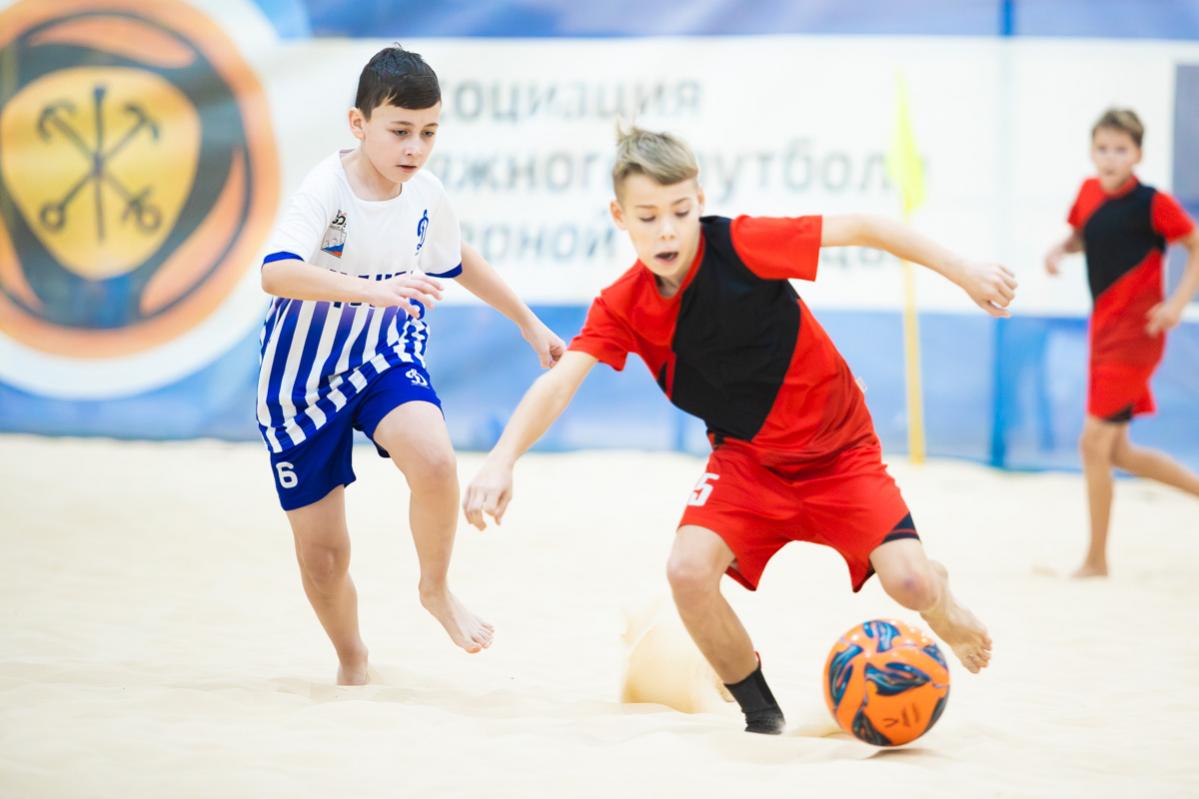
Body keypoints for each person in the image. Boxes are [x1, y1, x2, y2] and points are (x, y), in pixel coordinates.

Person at [463, 126, 1001, 734]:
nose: (667, 230)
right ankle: (762, 717)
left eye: (681, 211)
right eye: (648, 217)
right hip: (747, 462)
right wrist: (501, 459)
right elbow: (560, 382)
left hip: (839, 454)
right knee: (687, 572)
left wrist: (965, 271)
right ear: (620, 216)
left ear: (700, 200)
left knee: (910, 582)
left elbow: (864, 228)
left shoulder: (743, 245)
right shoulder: (622, 304)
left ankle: (943, 603)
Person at [256, 46, 564, 684]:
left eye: (428, 133)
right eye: (400, 131)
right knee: (324, 557)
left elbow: (459, 258)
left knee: (435, 460)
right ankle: (352, 659)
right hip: (300, 382)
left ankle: (435, 589)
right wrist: (372, 291)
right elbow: (276, 272)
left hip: (384, 354)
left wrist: (528, 322)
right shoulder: (327, 187)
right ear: (358, 123)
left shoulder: (426, 192)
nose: (415, 148)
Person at [1045, 108, 1199, 579]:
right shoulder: (1088, 193)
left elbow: (1195, 244)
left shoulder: (1153, 203)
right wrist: (1061, 249)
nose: (1110, 157)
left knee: (1092, 443)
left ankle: (1096, 561)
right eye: (1103, 148)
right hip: (1102, 333)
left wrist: (1177, 303)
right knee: (1119, 453)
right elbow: (1085, 235)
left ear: (1138, 155)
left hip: (1138, 336)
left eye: (1121, 149)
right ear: (1092, 152)